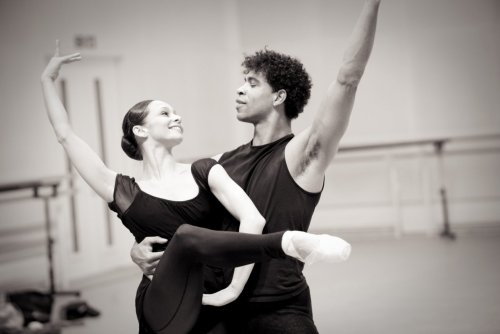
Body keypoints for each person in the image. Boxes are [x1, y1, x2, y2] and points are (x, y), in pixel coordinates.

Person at [40, 42, 352, 334]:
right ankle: (286, 241)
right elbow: (66, 135)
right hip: (164, 298)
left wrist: (231, 291)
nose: (176, 117)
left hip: (212, 300)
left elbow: (251, 220)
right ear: (140, 130)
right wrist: (47, 81)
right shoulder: (122, 190)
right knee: (186, 237)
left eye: (176, 112)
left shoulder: (206, 170)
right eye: (165, 113)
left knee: (190, 239)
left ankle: (285, 243)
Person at [131, 0, 381, 333]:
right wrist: (137, 251)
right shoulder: (221, 162)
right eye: (242, 81)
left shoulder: (301, 155)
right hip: (215, 306)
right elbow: (173, 218)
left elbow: (348, 78)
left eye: (251, 83)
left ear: (279, 97)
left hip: (278, 309)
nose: (239, 88)